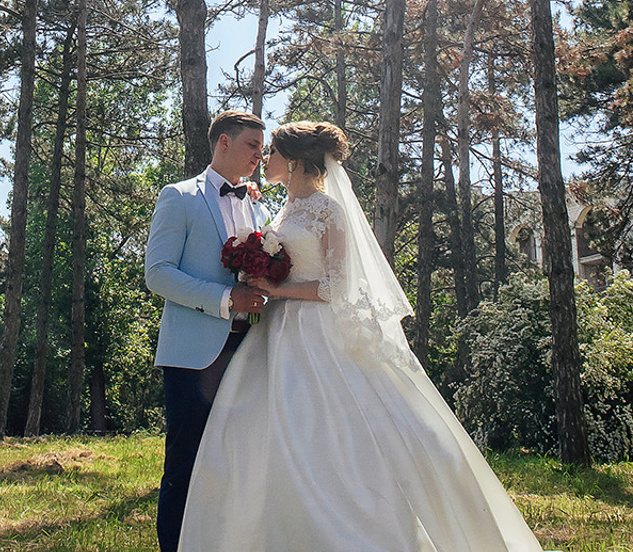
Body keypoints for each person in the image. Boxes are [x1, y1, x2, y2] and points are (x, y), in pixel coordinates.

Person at [178, 120, 546, 552]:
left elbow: (337, 287)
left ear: (293, 161)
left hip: (315, 333)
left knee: (323, 433)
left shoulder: (328, 211)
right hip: (274, 333)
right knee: (258, 433)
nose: (264, 160)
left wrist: (276, 289)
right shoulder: (282, 209)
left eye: (271, 152)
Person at [144, 108, 270, 552]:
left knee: (239, 464)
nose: (260, 154)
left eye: (261, 146)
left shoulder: (257, 203)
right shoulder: (178, 197)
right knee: (185, 465)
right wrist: (224, 301)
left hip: (252, 351)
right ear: (224, 143)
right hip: (195, 356)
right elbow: (157, 273)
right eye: (253, 145)